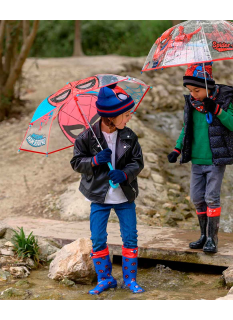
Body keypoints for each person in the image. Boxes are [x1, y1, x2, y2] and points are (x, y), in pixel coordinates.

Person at [70, 84, 145, 294]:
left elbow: (137, 162)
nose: (129, 118)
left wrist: (125, 174)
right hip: (99, 197)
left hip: (124, 196)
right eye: (126, 114)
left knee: (130, 236)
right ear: (111, 116)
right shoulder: (86, 137)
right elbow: (76, 163)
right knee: (98, 237)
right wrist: (93, 160)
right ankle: (105, 278)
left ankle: (130, 280)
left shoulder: (129, 136)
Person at [167, 62, 233, 253]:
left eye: (197, 90)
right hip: (197, 160)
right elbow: (186, 128)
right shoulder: (191, 104)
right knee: (197, 198)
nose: (193, 94)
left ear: (208, 87)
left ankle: (212, 239)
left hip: (215, 160)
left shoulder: (223, 101)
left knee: (211, 198)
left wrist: (216, 110)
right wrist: (177, 148)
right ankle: (202, 235)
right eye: (190, 90)